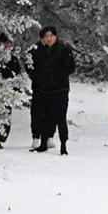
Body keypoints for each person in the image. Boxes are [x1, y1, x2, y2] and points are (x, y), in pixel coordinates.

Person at [28, 26, 75, 155]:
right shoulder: (40, 50)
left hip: (60, 89)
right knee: (44, 116)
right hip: (44, 89)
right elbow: (32, 67)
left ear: (55, 36)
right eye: (46, 36)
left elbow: (71, 67)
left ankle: (63, 145)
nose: (48, 39)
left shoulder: (64, 48)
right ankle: (43, 143)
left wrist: (58, 75)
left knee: (60, 117)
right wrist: (39, 78)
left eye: (51, 36)